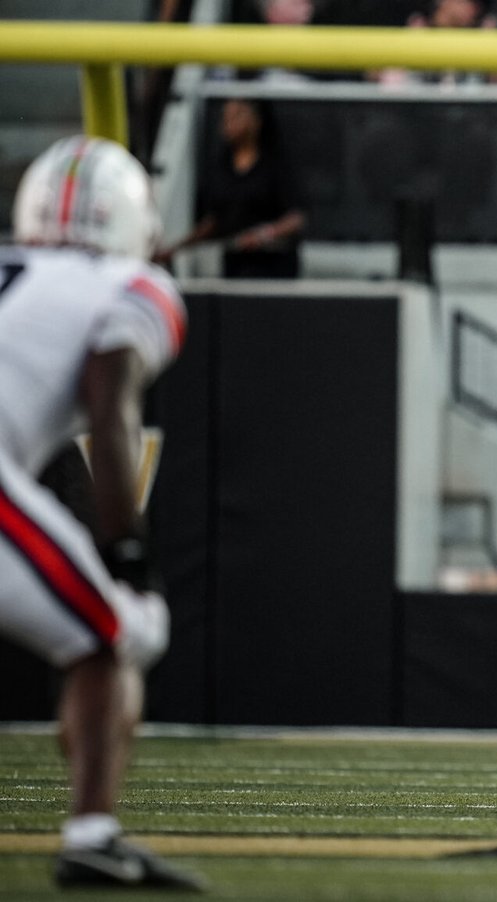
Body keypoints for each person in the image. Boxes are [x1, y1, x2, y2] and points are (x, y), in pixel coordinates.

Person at [0, 136, 201, 890]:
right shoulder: (134, 285)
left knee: (99, 630)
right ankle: (92, 833)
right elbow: (108, 402)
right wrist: (129, 556)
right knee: (113, 634)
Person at [156, 97, 306, 279]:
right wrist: (176, 248)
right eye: (225, 117)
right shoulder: (221, 167)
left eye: (236, 116)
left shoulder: (275, 165)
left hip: (273, 268)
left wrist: (263, 235)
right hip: (236, 267)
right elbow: (215, 220)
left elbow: (296, 219)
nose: (228, 123)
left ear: (256, 121)